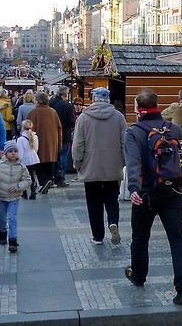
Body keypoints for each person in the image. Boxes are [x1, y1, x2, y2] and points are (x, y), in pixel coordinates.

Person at [124, 88, 182, 305]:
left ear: (138, 107)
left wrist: (134, 189)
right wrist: (179, 172)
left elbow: (133, 163)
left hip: (145, 194)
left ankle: (138, 275)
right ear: (157, 105)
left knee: (140, 237)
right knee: (177, 240)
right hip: (172, 192)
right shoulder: (172, 128)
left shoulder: (134, 131)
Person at [72, 87, 127, 245]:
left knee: (93, 202)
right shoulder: (119, 117)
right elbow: (125, 143)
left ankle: (97, 236)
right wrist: (122, 162)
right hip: (112, 165)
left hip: (90, 166)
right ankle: (113, 222)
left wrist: (78, 164)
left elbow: (78, 145)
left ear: (93, 99)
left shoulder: (83, 118)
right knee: (111, 197)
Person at [0, 140, 31, 252]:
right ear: (5, 153)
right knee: (2, 218)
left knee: (12, 218)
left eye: (15, 151)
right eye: (10, 151)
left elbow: (28, 180)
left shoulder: (21, 167)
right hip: (1, 196)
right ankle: (3, 233)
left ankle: (13, 241)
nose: (13, 153)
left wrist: (18, 186)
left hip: (14, 197)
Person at [27, 91, 62, 194]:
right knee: (49, 163)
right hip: (52, 143)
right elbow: (59, 128)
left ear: (37, 101)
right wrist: (59, 143)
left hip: (38, 143)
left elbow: (28, 129)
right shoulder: (53, 112)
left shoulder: (33, 113)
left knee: (37, 164)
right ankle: (47, 182)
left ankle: (45, 181)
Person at [49, 86, 75, 187]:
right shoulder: (67, 106)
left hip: (51, 134)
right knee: (63, 156)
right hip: (64, 134)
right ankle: (61, 178)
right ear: (65, 94)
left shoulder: (50, 104)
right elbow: (71, 122)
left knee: (53, 157)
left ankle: (51, 177)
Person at [16, 119, 40, 200]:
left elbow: (20, 152)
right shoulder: (35, 136)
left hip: (25, 160)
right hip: (34, 159)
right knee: (32, 176)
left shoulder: (20, 139)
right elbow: (36, 149)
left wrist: (19, 161)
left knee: (24, 177)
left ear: (22, 128)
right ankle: (33, 192)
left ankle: (24, 193)